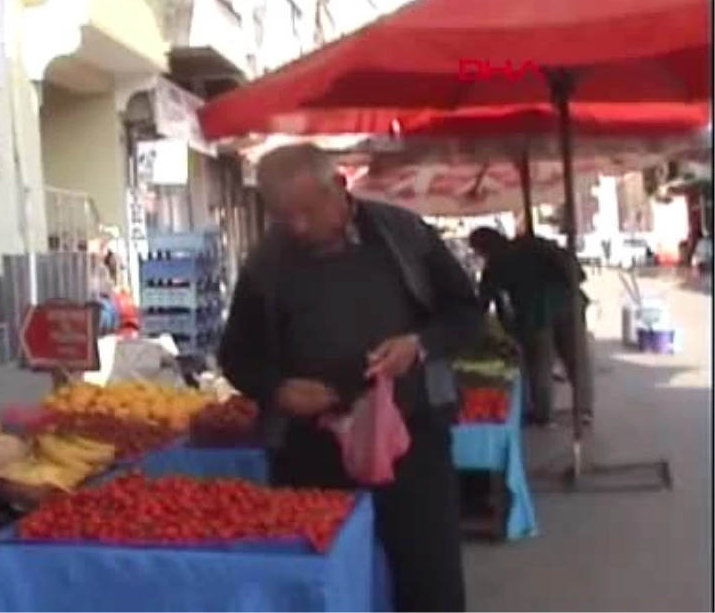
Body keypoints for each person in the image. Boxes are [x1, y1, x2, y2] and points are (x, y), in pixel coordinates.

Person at [219, 144, 483, 613]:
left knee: (429, 581)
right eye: (284, 216)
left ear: (339, 186)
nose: (298, 227)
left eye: (307, 211)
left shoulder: (403, 235)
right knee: (319, 582)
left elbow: (466, 313)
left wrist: (417, 346)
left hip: (411, 437)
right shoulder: (266, 262)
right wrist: (277, 389)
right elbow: (237, 356)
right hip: (312, 449)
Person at [467, 226, 593, 428]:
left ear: (484, 247)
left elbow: (486, 299)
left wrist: (501, 328)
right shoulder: (533, 243)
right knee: (577, 360)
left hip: (536, 314)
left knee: (540, 365)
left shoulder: (498, 262)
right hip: (569, 304)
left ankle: (545, 415)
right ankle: (585, 411)